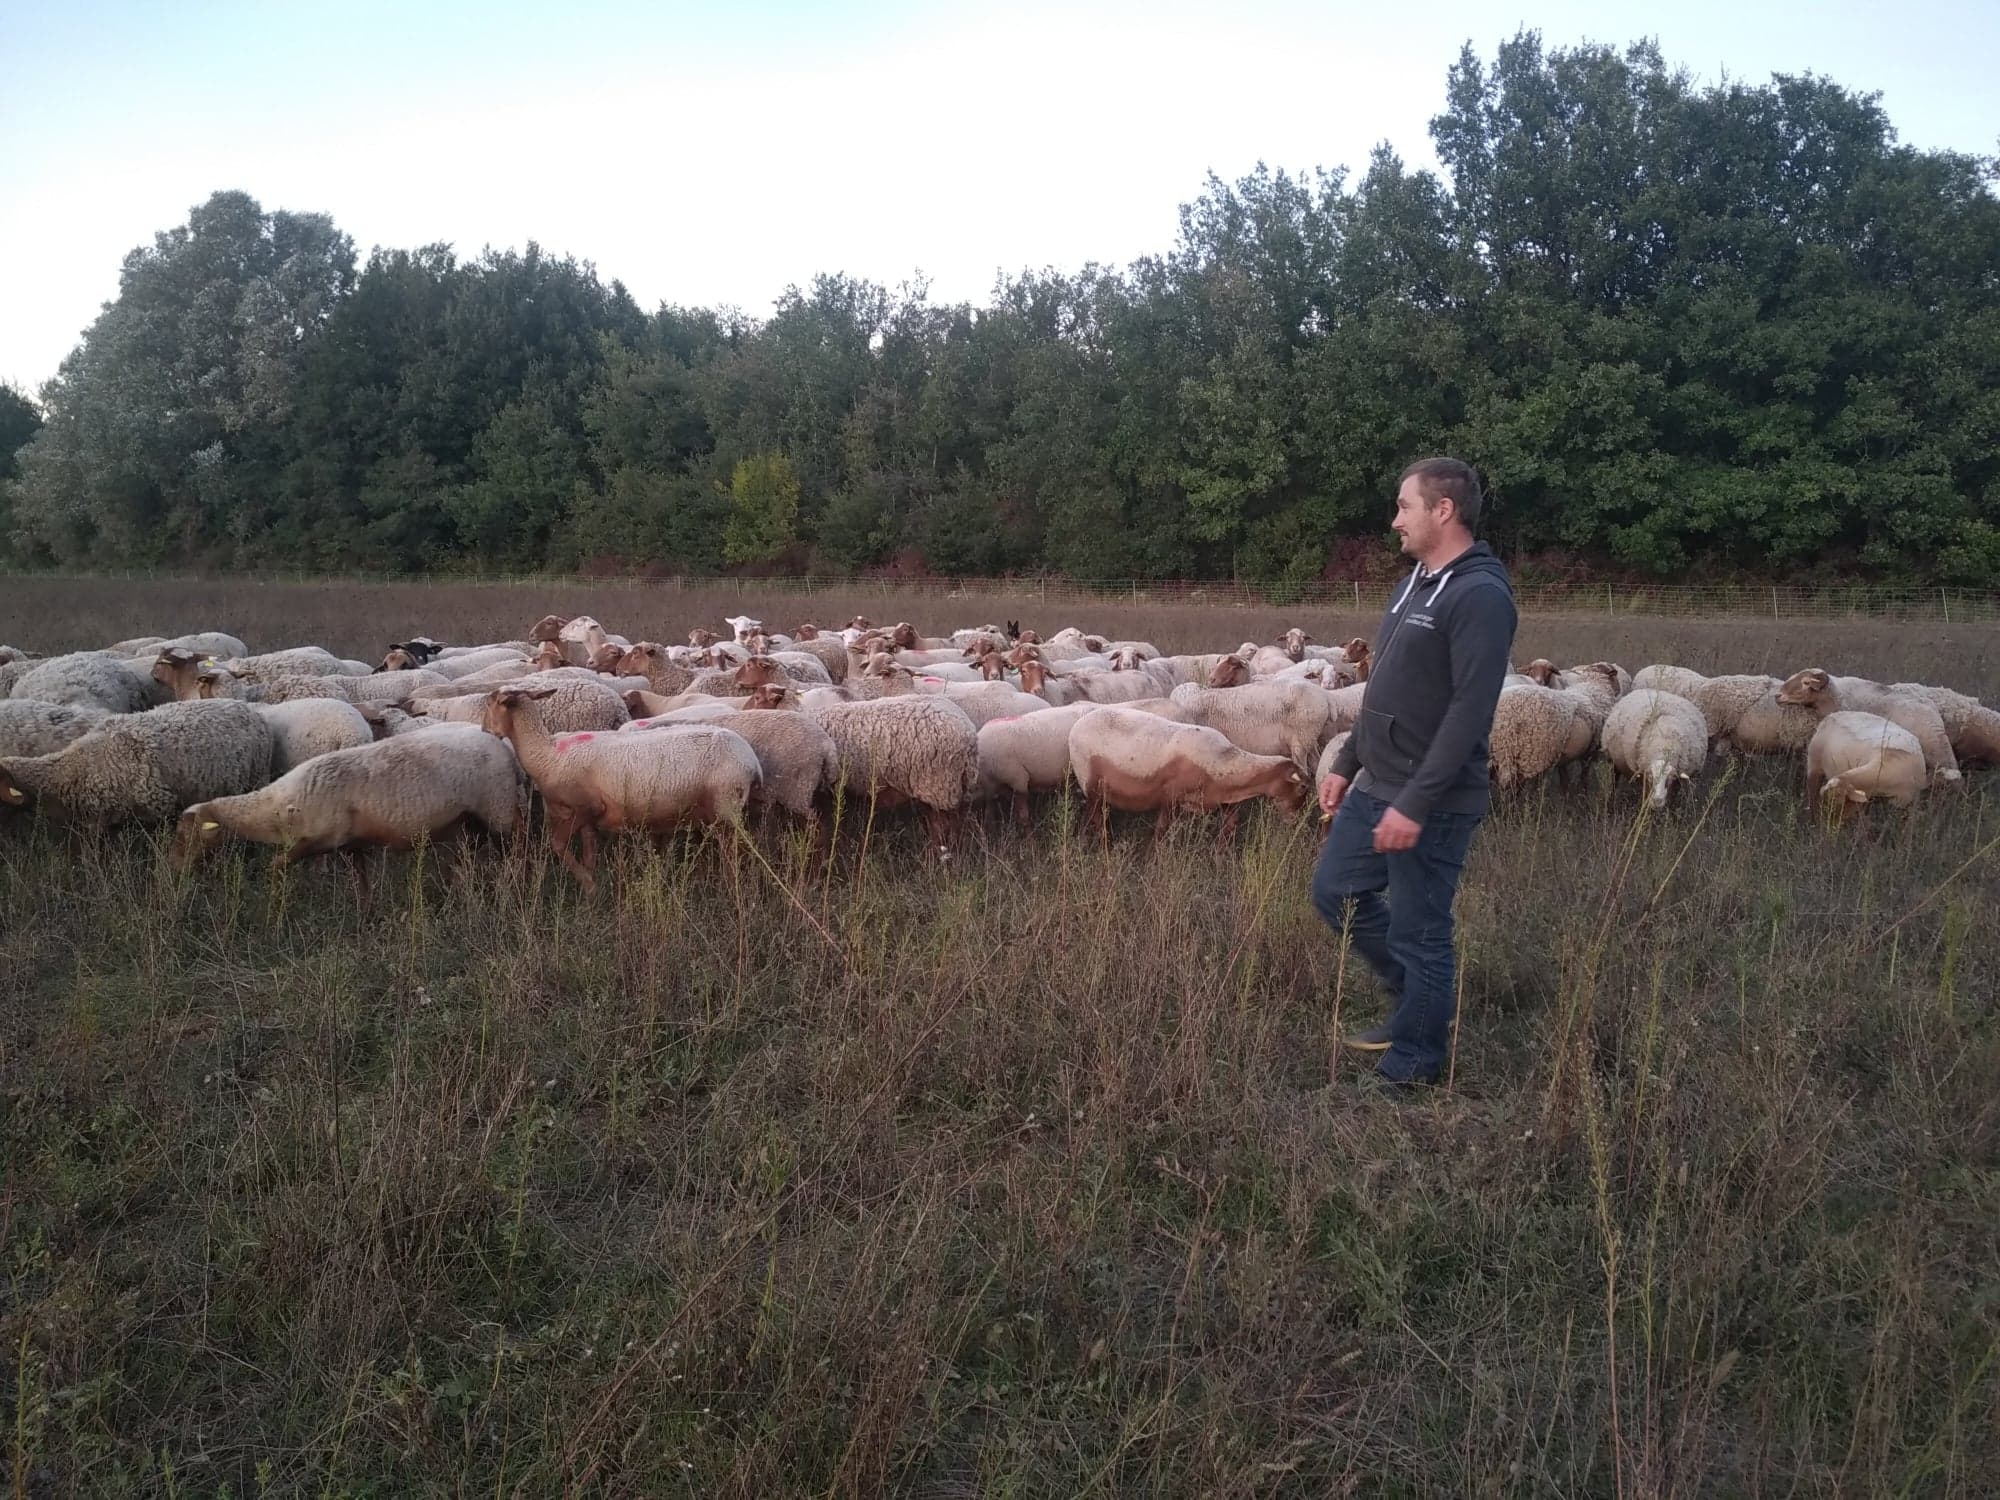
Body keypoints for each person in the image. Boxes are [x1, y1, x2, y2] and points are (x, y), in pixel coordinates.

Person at [1312, 457, 1517, 1089]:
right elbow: (1386, 683)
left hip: (1432, 794)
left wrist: (1416, 803)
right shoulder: (1417, 581)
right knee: (1335, 890)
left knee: (1420, 926)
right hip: (1379, 777)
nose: (1394, 519)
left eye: (1404, 506)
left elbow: (1469, 711)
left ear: (1443, 511)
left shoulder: (1480, 595)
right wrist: (1348, 758)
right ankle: (1420, 1004)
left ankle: (1417, 1062)